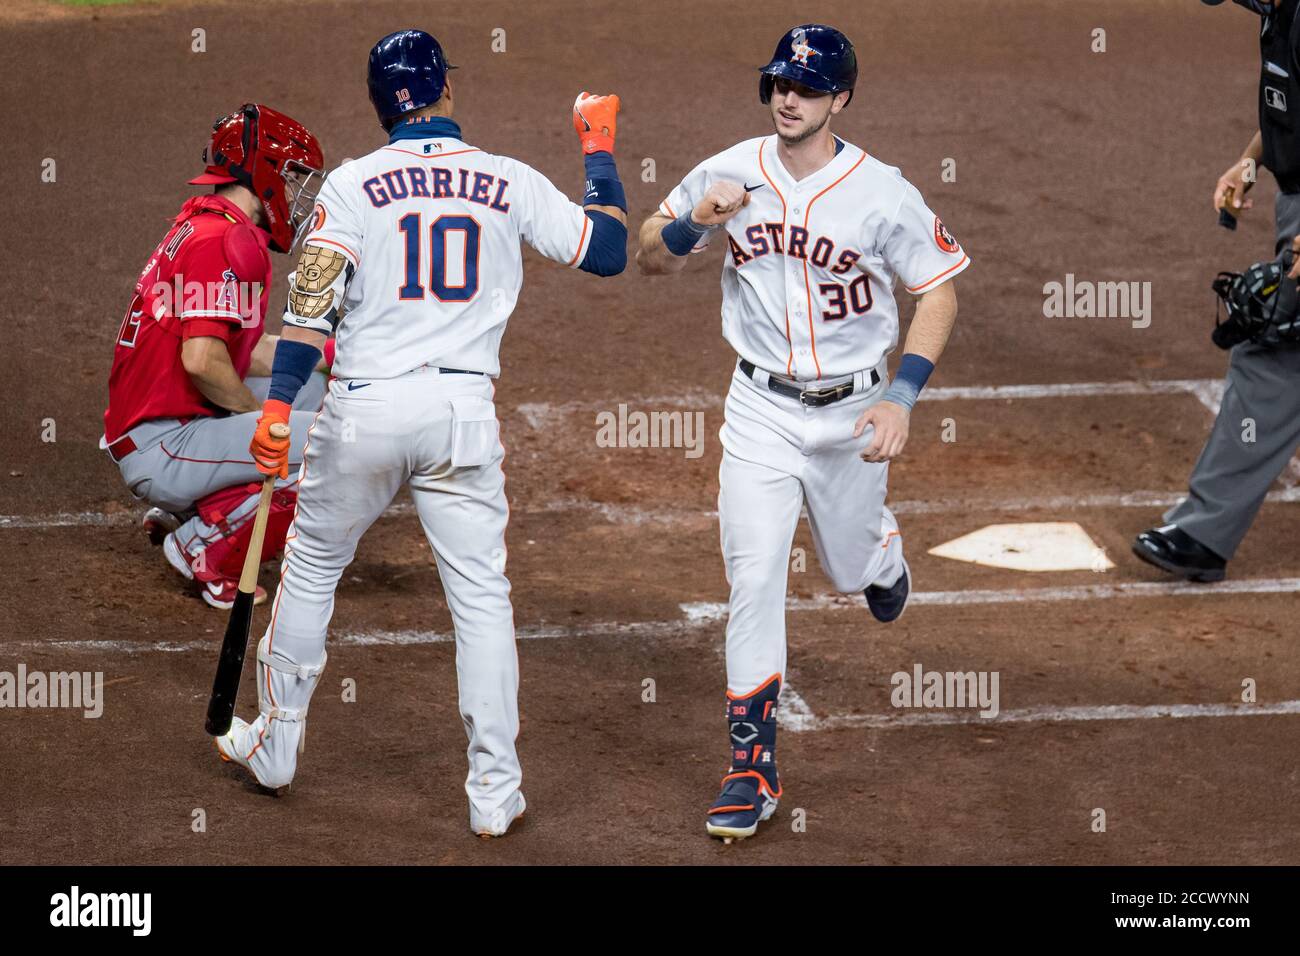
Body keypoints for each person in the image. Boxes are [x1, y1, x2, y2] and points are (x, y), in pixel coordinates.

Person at [213, 29, 628, 838]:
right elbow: (608, 251)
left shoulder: (354, 185)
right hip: (462, 418)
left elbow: (309, 309)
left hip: (365, 413)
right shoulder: (506, 180)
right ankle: (494, 795)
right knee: (481, 600)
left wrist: (275, 409)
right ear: (445, 91)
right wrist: (600, 147)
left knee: (312, 570)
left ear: (380, 106)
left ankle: (277, 747)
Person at [637, 24, 968, 842]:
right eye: (780, 82)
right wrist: (693, 226)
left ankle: (881, 551)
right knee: (754, 578)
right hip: (757, 413)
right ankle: (752, 767)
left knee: (852, 572)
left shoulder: (882, 191)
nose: (788, 97)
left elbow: (939, 292)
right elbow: (649, 251)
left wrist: (902, 398)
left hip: (852, 414)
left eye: (808, 88)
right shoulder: (730, 171)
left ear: (840, 99)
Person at [102, 104, 329, 609]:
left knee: (311, 384)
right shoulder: (220, 240)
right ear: (265, 171)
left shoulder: (206, 224)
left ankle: (196, 507)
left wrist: (328, 353)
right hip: (164, 443)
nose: (296, 194)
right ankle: (203, 543)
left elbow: (240, 352)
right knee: (331, 444)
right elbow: (203, 361)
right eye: (292, 177)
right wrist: (262, 422)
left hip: (163, 426)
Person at [1135, 0, 1300, 581]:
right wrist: (1250, 162)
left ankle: (1204, 534)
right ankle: (1204, 533)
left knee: (1272, 352)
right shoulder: (1281, 13)